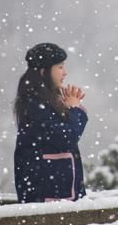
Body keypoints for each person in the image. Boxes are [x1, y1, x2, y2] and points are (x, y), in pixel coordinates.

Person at [12, 42, 89, 203]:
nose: (65, 73)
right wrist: (74, 110)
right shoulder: (34, 103)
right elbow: (67, 138)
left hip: (54, 197)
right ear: (43, 71)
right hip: (49, 199)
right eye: (60, 67)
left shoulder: (42, 100)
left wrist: (69, 108)